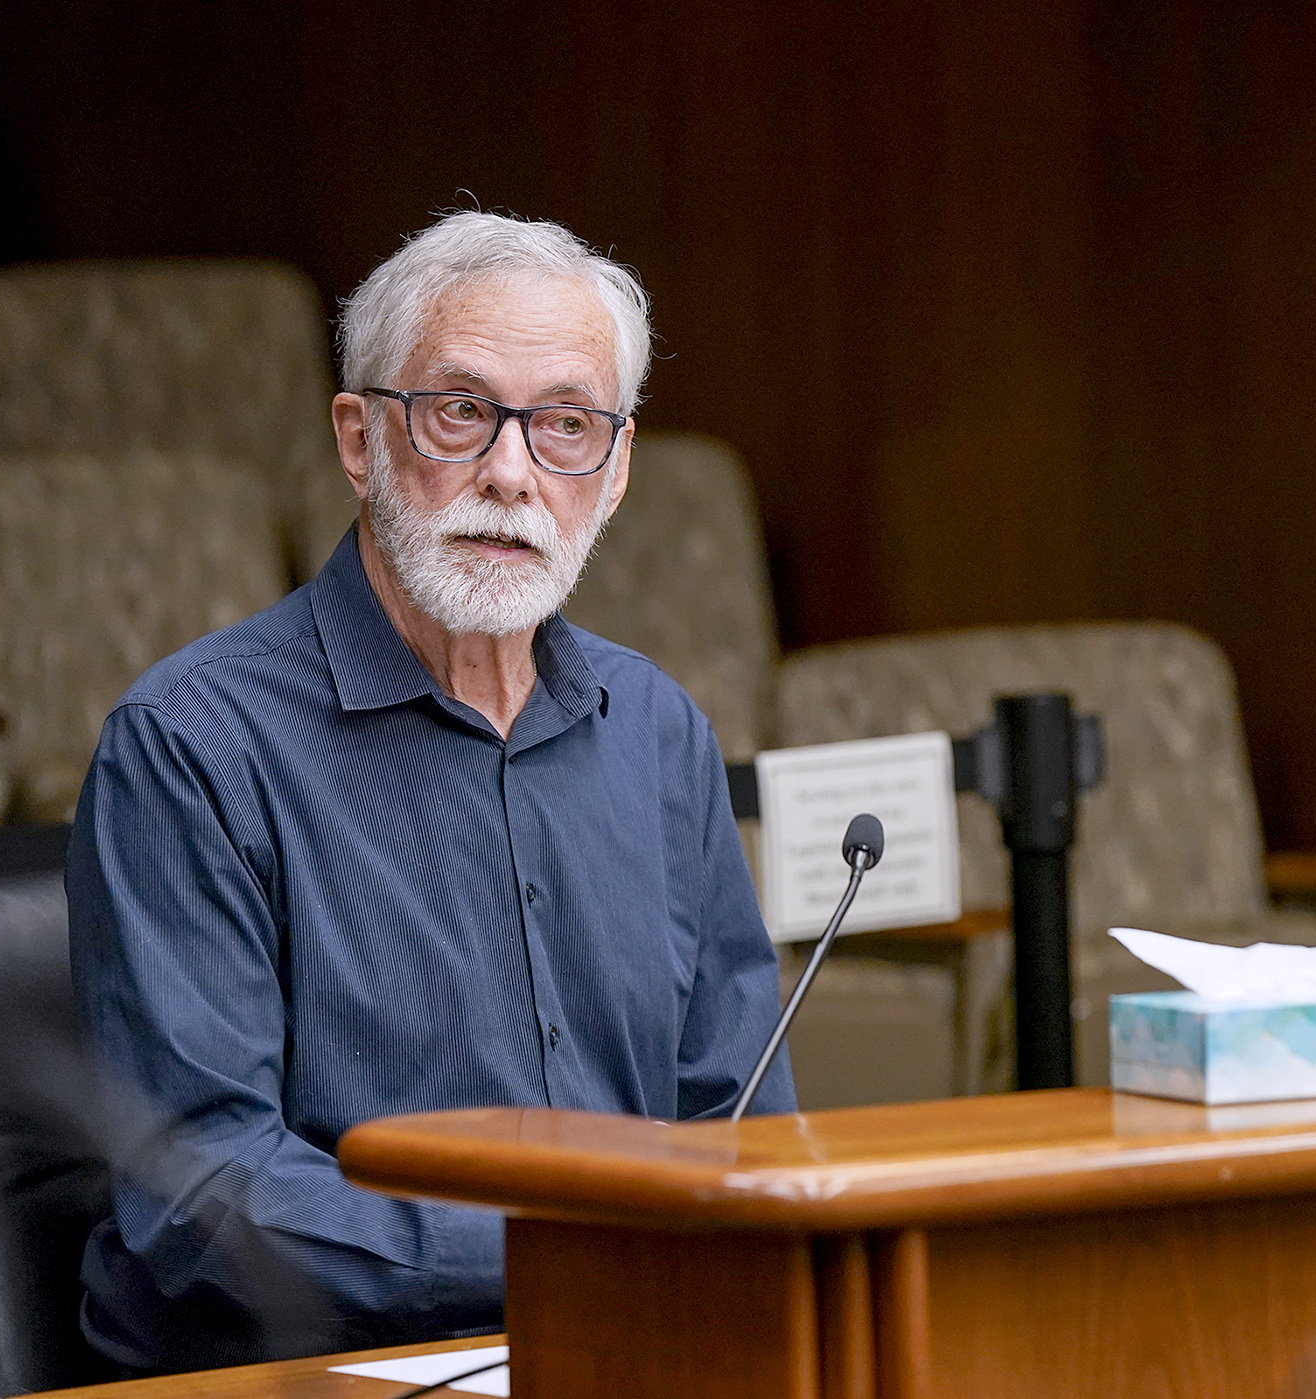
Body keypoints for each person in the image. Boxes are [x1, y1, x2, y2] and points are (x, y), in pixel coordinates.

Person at [66, 212, 794, 1371]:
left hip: (628, 1341)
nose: (511, 472)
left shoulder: (658, 731)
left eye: (565, 425)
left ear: (613, 471)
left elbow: (740, 1120)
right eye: (461, 411)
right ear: (359, 439)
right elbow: (199, 1194)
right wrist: (565, 1246)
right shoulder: (192, 746)